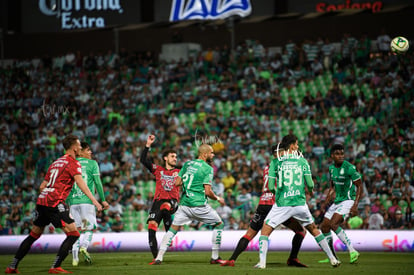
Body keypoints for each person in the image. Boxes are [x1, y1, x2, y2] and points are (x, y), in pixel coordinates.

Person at [5, 135, 103, 274]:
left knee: (34, 234)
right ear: (74, 147)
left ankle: (12, 266)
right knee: (74, 234)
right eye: (79, 145)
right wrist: (95, 201)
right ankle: (55, 266)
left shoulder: (55, 162)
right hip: (54, 202)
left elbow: (41, 186)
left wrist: (50, 192)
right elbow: (82, 184)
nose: (80, 147)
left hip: (42, 200)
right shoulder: (72, 163)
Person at [255, 134, 340, 269]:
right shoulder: (302, 161)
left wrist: (278, 194)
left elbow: (270, 187)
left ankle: (262, 263)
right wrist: (310, 190)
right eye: (297, 144)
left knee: (265, 230)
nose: (298, 146)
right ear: (292, 146)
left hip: (282, 203)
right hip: (300, 203)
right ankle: (332, 259)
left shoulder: (275, 162)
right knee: (313, 229)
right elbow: (310, 184)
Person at [221, 143, 308, 267]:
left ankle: (232, 259)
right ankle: (292, 259)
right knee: (300, 231)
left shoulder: (268, 167)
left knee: (249, 234)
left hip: (263, 203)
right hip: (277, 205)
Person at [150, 144, 225, 265]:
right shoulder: (208, 168)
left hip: (184, 205)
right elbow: (207, 191)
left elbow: (177, 183)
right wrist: (217, 198)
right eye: (211, 153)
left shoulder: (187, 164)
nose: (213, 155)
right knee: (219, 224)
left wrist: (189, 183)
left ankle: (159, 258)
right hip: (199, 205)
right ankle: (215, 257)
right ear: (204, 154)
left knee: (172, 230)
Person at [67, 141, 109, 266]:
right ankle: (84, 247)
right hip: (87, 202)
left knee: (76, 230)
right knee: (89, 228)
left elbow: (67, 184)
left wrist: (68, 201)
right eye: (88, 150)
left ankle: (75, 259)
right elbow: (97, 182)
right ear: (81, 152)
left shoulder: (71, 164)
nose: (91, 152)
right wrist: (103, 199)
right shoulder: (92, 164)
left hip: (73, 203)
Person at [319, 144, 362, 264]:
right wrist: (328, 197)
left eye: (342, 153)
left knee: (333, 224)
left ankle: (352, 250)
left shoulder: (350, 168)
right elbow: (332, 184)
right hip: (337, 200)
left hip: (348, 200)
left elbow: (359, 186)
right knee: (324, 227)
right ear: (332, 155)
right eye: (337, 154)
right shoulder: (331, 168)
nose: (341, 156)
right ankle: (332, 256)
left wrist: (355, 205)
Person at [140, 134, 181, 259]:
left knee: (165, 206)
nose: (175, 159)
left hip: (172, 201)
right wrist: (148, 145)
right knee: (151, 227)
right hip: (157, 201)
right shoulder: (158, 170)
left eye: (176, 157)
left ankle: (169, 234)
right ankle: (156, 258)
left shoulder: (180, 171)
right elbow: (143, 160)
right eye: (172, 156)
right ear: (165, 158)